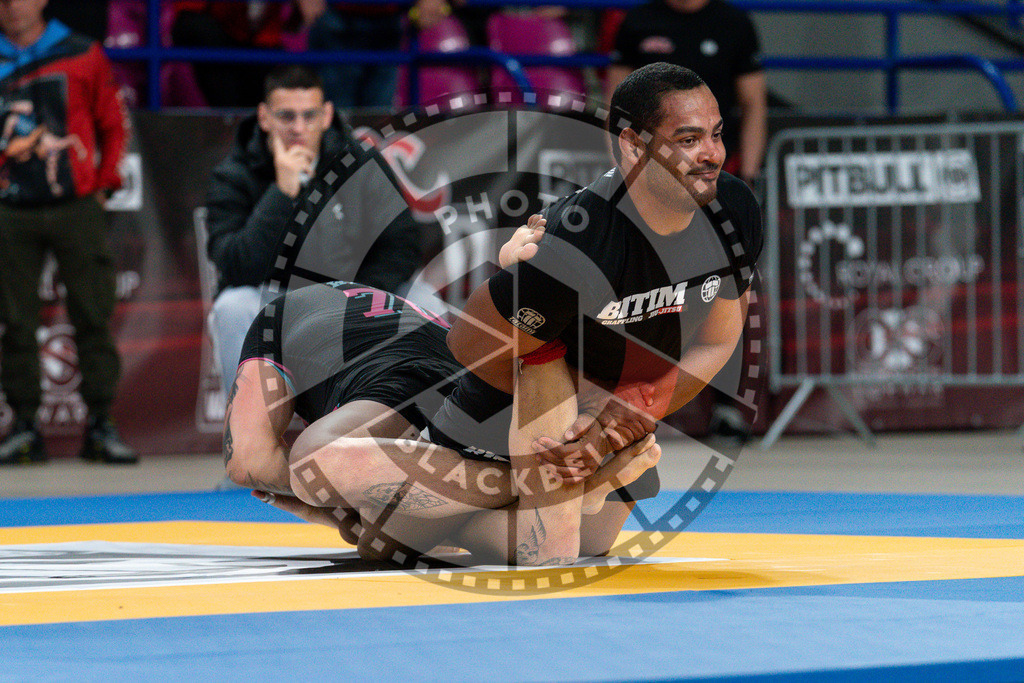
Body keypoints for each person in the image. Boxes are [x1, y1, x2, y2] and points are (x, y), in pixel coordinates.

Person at [233, 63, 763, 565]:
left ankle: (556, 490)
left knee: (587, 542)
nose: (711, 154)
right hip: (516, 405)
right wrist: (571, 443)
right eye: (688, 140)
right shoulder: (575, 243)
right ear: (632, 146)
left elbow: (718, 341)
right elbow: (471, 345)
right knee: (409, 530)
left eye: (716, 135)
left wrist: (629, 412)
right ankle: (558, 488)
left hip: (592, 413)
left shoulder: (732, 212)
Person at [224, 233, 662, 564]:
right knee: (579, 542)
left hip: (406, 388)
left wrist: (333, 507)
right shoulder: (368, 304)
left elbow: (248, 462)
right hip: (488, 388)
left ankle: (539, 486)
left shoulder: (273, 319)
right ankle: (564, 489)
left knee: (319, 474)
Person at [204, 64, 423, 403]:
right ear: (264, 117)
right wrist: (281, 193)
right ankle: (246, 425)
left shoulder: (358, 163)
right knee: (232, 307)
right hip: (275, 303)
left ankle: (420, 426)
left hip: (350, 299)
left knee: (422, 299)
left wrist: (356, 298)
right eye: (286, 116)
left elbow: (402, 243)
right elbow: (235, 266)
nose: (298, 128)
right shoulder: (234, 173)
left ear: (326, 115)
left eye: (309, 116)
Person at [0, 0, 136, 466]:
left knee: (93, 315)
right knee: (14, 321)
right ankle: (24, 428)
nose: (11, 5)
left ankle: (101, 425)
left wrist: (105, 185)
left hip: (76, 205)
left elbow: (113, 122)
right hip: (9, 210)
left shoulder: (81, 52)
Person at [605, 0, 766, 186]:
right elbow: (616, 103)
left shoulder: (734, 22)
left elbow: (753, 104)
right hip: (652, 162)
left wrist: (748, 175)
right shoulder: (637, 20)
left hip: (717, 161)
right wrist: (623, 169)